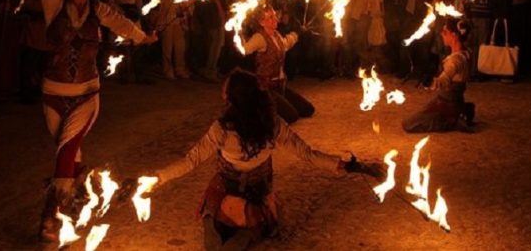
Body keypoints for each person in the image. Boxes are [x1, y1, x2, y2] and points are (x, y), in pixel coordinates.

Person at [151, 70, 382, 250]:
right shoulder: (272, 124)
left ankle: (247, 227)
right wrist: (341, 164)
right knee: (221, 230)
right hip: (248, 189)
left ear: (233, 98)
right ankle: (247, 226)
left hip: (244, 191)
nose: (222, 92)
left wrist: (156, 178)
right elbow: (307, 154)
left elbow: (191, 160)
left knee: (226, 235)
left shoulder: (222, 130)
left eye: (226, 90)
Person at [37, 0, 157, 242]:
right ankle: (78, 202)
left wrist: (143, 37)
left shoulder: (98, 9)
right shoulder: (55, 6)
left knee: (66, 151)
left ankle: (52, 217)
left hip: (87, 95)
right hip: (52, 94)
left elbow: (121, 23)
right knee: (70, 158)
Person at [242, 6, 313, 124]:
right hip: (266, 88)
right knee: (292, 117)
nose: (276, 19)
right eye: (270, 17)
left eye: (275, 16)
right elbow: (244, 50)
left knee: (308, 110)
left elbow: (286, 43)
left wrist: (298, 32)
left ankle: (276, 104)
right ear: (262, 22)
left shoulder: (276, 35)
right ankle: (259, 106)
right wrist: (239, 33)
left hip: (280, 86)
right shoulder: (259, 37)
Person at [403, 18, 475, 133]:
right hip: (450, 99)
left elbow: (442, 82)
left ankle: (453, 120)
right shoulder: (466, 52)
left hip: (447, 104)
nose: (442, 34)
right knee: (421, 114)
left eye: (445, 32)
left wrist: (427, 81)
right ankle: (463, 109)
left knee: (408, 125)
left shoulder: (455, 61)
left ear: (454, 35)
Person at [106, 0, 153, 85]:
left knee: (138, 43)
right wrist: (123, 13)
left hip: (134, 16)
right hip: (121, 17)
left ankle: (139, 74)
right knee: (123, 45)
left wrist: (141, 11)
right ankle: (124, 74)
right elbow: (110, 1)